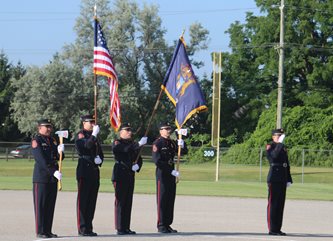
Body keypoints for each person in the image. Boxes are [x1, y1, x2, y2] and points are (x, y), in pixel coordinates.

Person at [112, 123, 147, 235]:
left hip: (130, 174)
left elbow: (138, 157)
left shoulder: (132, 144)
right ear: (121, 132)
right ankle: (119, 227)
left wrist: (138, 166)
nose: (129, 132)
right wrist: (139, 144)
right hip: (120, 173)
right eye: (127, 130)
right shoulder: (117, 142)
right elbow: (125, 150)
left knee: (128, 201)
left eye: (130, 130)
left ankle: (126, 227)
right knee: (121, 201)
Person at [152, 122, 187, 233]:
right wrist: (170, 170)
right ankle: (161, 224)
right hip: (163, 174)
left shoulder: (171, 142)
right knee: (162, 200)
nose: (168, 131)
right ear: (160, 131)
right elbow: (157, 161)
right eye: (165, 129)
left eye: (169, 129)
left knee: (170, 199)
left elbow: (183, 152)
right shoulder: (158, 143)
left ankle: (167, 224)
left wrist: (182, 143)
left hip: (171, 174)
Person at [32, 118, 64, 238]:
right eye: (46, 127)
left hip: (52, 178)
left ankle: (48, 230)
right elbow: (41, 160)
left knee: (50, 205)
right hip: (41, 177)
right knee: (41, 205)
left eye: (50, 127)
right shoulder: (37, 140)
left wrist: (60, 151)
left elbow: (59, 157)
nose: (49, 129)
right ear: (39, 128)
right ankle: (40, 231)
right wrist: (53, 171)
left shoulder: (53, 140)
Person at [75, 114, 104, 236]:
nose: (93, 124)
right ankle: (82, 228)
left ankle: (89, 227)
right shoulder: (81, 135)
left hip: (94, 170)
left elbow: (100, 152)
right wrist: (93, 135)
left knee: (92, 201)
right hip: (84, 170)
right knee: (83, 200)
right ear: (84, 123)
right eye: (90, 122)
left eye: (93, 122)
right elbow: (86, 146)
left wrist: (100, 159)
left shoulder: (95, 137)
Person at [266, 128, 293, 236]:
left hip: (282, 178)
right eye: (278, 136)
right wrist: (280, 144)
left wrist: (289, 179)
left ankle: (277, 229)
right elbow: (273, 157)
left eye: (281, 136)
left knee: (280, 205)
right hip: (274, 178)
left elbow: (286, 164)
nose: (280, 137)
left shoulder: (282, 148)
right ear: (273, 137)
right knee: (273, 204)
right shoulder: (270, 146)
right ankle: (272, 229)